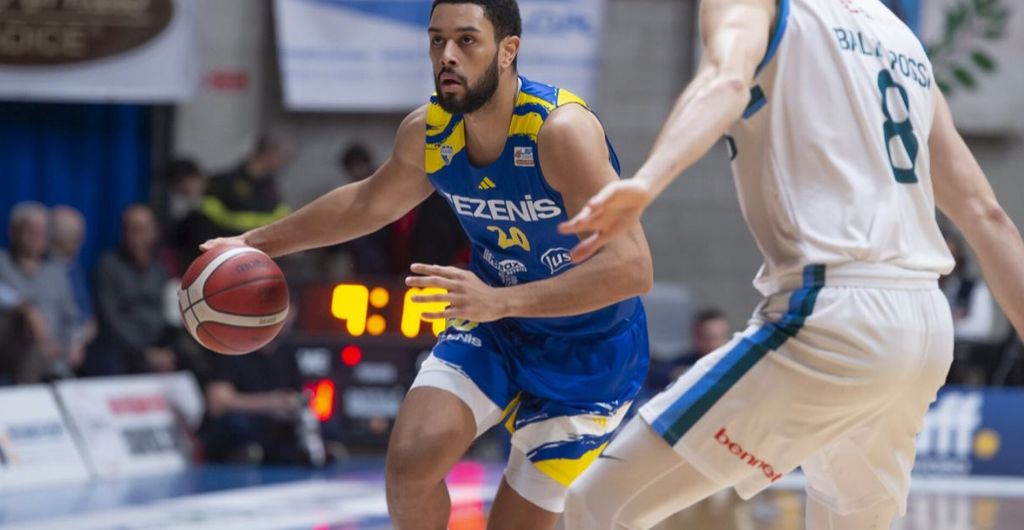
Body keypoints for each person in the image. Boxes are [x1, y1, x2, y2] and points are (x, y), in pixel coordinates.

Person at [559, 0, 1024, 528]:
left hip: (835, 314)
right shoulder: (902, 40)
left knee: (596, 505)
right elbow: (987, 215)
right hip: (924, 327)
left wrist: (646, 181)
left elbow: (725, 80)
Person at [201, 1, 652, 527]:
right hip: (496, 327)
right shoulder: (430, 131)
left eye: (466, 40)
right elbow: (367, 204)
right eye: (437, 40)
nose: (447, 56)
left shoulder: (560, 132)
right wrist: (253, 243)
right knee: (409, 465)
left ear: (508, 51)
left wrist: (500, 300)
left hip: (589, 354)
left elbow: (631, 268)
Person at [88, 205, 177, 375]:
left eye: (143, 230)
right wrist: (143, 352)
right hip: (121, 347)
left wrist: (166, 349)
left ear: (154, 232)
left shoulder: (161, 269)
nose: (138, 237)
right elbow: (110, 318)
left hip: (158, 346)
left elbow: (169, 315)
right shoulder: (107, 266)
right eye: (132, 230)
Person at [0, 202, 82, 379]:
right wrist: (25, 308)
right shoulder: (3, 263)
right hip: (12, 348)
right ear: (13, 232)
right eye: (31, 231)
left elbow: (71, 317)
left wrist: (74, 343)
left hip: (56, 353)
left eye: (42, 232)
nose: (37, 238)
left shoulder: (57, 270)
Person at [645, 308, 730, 394]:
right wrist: (688, 373)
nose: (718, 343)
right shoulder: (686, 362)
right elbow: (655, 375)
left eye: (722, 336)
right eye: (711, 338)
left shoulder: (733, 365)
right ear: (697, 339)